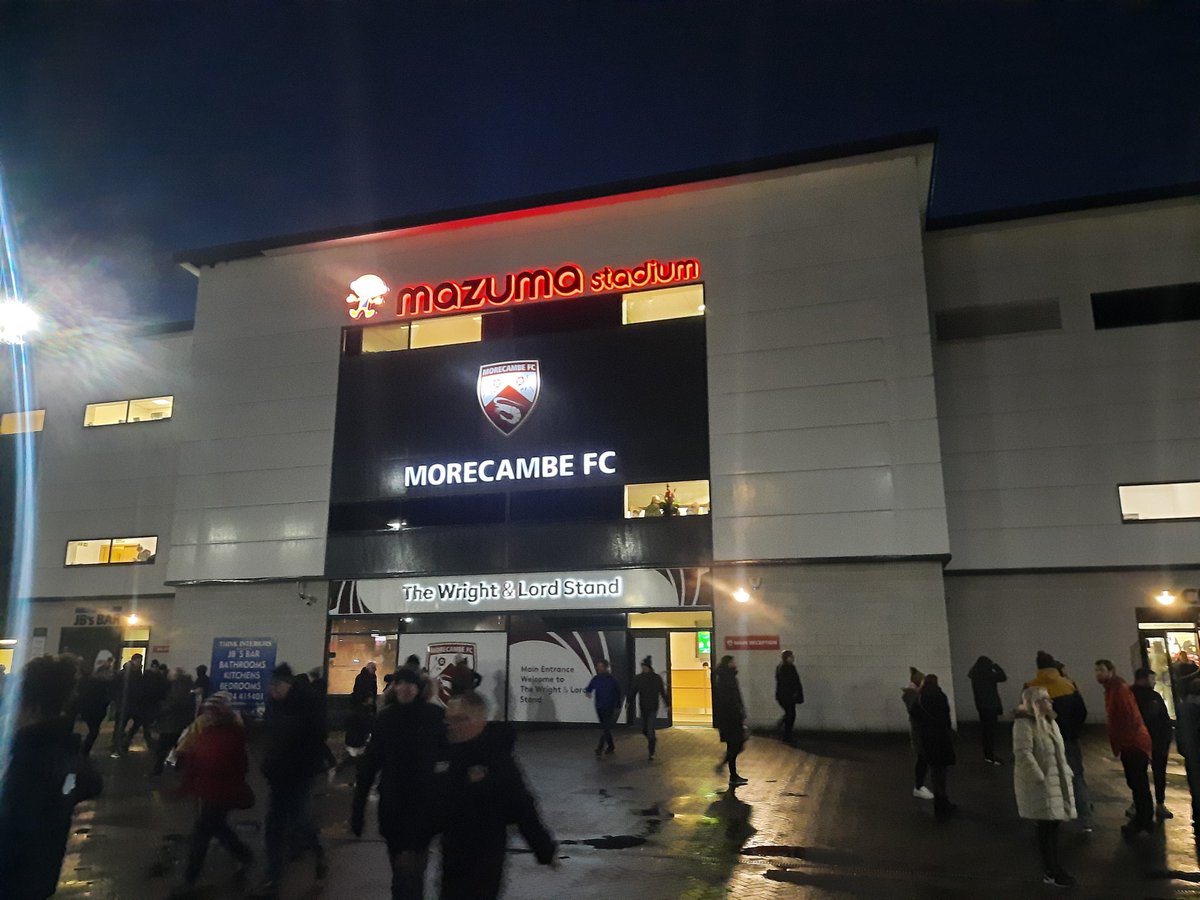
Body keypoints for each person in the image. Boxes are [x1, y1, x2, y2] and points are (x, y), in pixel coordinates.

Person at [426, 691, 556, 899]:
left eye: (461, 719)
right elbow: (432, 801)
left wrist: (543, 849)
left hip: (485, 858)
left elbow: (522, 805)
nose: (453, 726)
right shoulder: (447, 754)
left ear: (480, 720)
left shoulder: (496, 757)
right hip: (452, 854)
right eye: (449, 720)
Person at [0, 655, 103, 899]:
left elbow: (15, 830)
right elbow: (90, 784)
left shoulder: (30, 758)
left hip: (12, 880)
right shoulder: (62, 748)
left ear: (32, 708)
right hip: (41, 874)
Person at [352, 668, 446, 900]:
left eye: (409, 683)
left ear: (418, 688)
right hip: (394, 805)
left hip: (423, 805)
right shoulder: (385, 718)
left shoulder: (434, 716)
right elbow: (370, 764)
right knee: (402, 870)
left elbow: (450, 756)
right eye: (399, 683)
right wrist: (358, 809)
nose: (404, 688)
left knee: (410, 872)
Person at [253, 664, 328, 897]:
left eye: (277, 685)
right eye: (271, 685)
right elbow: (271, 735)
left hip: (299, 774)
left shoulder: (307, 704)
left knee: (299, 821)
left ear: (289, 684)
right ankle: (273, 877)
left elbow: (316, 738)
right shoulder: (275, 704)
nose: (273, 689)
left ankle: (317, 853)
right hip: (279, 773)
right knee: (274, 825)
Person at [175, 692, 254, 890]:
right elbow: (193, 760)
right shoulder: (206, 732)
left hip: (222, 792)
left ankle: (189, 879)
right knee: (217, 827)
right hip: (210, 790)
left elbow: (240, 766)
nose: (206, 716)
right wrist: (186, 785)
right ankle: (244, 855)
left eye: (210, 712)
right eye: (206, 712)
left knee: (202, 833)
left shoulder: (233, 734)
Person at [1012, 686, 1076, 888]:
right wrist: (1039, 777)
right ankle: (1051, 870)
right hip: (1042, 783)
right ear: (1036, 703)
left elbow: (1058, 752)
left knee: (1053, 825)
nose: (1050, 702)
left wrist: (1065, 770)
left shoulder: (1050, 722)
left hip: (1055, 780)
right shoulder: (1024, 724)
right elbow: (1023, 753)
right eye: (1046, 699)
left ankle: (1054, 867)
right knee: (1046, 827)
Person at [1027, 653, 1092, 830]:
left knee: (1047, 779)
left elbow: (1027, 717)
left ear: (1038, 667)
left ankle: (1049, 818)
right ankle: (1085, 819)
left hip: (1043, 741)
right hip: (1069, 738)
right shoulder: (1069, 685)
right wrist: (1073, 731)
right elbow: (1082, 712)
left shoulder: (1030, 687)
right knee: (1076, 776)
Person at [1095, 659, 1154, 838]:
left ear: (1111, 670)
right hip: (1132, 742)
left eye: (1101, 670)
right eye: (1096, 670)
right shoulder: (1114, 688)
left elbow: (1127, 717)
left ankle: (1143, 820)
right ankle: (1144, 819)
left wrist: (1125, 742)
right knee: (1137, 782)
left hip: (1133, 743)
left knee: (1138, 783)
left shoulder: (1118, 689)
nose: (1098, 674)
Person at [1132, 667, 1175, 821]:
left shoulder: (1132, 695)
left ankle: (1141, 804)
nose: (1154, 682)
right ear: (1143, 679)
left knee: (1139, 775)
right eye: (1152, 679)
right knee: (1156, 773)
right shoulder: (1152, 697)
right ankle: (1157, 804)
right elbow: (1164, 719)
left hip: (1144, 742)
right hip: (1151, 741)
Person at [913, 674, 956, 820]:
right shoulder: (940, 695)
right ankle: (943, 800)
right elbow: (946, 716)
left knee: (934, 770)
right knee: (942, 770)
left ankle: (939, 802)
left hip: (927, 737)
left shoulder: (920, 698)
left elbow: (914, 715)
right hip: (941, 737)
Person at [712, 655, 748, 787]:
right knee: (737, 745)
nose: (735, 664)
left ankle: (732, 775)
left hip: (730, 718)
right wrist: (739, 712)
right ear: (728, 664)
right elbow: (731, 700)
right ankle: (723, 767)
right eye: (733, 662)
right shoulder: (726, 679)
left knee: (733, 745)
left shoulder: (726, 678)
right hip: (730, 718)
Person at [153, 669, 196, 776]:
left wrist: (159, 712)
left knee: (162, 748)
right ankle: (179, 769)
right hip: (181, 723)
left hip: (171, 723)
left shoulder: (176, 688)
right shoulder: (188, 688)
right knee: (179, 746)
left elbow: (172, 704)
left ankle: (158, 769)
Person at [967, 655, 1007, 765]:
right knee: (991, 731)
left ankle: (987, 753)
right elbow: (1003, 677)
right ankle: (990, 754)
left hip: (981, 706)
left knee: (985, 730)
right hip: (991, 706)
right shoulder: (989, 675)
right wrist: (996, 666)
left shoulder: (975, 675)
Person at [630, 656, 670, 760]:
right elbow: (633, 691)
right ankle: (652, 741)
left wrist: (668, 704)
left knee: (649, 729)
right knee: (645, 729)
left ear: (649, 667)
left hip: (652, 707)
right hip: (644, 707)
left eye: (644, 667)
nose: (643, 669)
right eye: (642, 667)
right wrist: (629, 701)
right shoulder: (641, 678)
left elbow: (662, 692)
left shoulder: (654, 678)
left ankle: (651, 751)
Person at [902, 667, 933, 800]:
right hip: (920, 732)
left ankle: (920, 786)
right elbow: (918, 712)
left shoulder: (912, 694)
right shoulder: (913, 696)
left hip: (920, 731)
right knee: (922, 759)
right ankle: (919, 787)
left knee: (923, 759)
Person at [584, 659, 623, 757]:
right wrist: (588, 692)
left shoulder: (612, 679)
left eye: (601, 666)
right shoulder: (596, 678)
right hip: (599, 706)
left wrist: (618, 705)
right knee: (605, 727)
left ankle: (600, 747)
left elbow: (618, 692)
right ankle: (611, 745)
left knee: (605, 727)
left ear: (605, 667)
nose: (599, 668)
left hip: (609, 706)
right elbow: (589, 688)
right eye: (598, 666)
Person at [1175, 679, 1200, 829]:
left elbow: (1180, 732)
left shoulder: (1182, 708)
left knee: (1195, 786)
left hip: (1190, 755)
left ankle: (1197, 815)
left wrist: (1184, 750)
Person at [77, 658, 113, 757]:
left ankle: (83, 750)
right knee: (94, 731)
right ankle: (84, 750)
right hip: (96, 709)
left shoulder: (87, 681)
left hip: (89, 709)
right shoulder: (101, 683)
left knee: (93, 730)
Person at [346, 661, 379, 758]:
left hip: (365, 706)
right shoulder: (364, 678)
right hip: (363, 706)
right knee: (362, 725)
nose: (375, 670)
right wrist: (366, 699)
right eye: (374, 668)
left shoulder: (367, 677)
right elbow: (360, 691)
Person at [774, 650, 804, 744]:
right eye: (791, 656)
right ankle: (786, 735)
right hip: (788, 696)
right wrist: (795, 693)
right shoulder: (789, 668)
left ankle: (783, 729)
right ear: (787, 658)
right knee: (791, 715)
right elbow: (792, 682)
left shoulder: (780, 667)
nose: (793, 658)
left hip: (783, 695)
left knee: (789, 714)